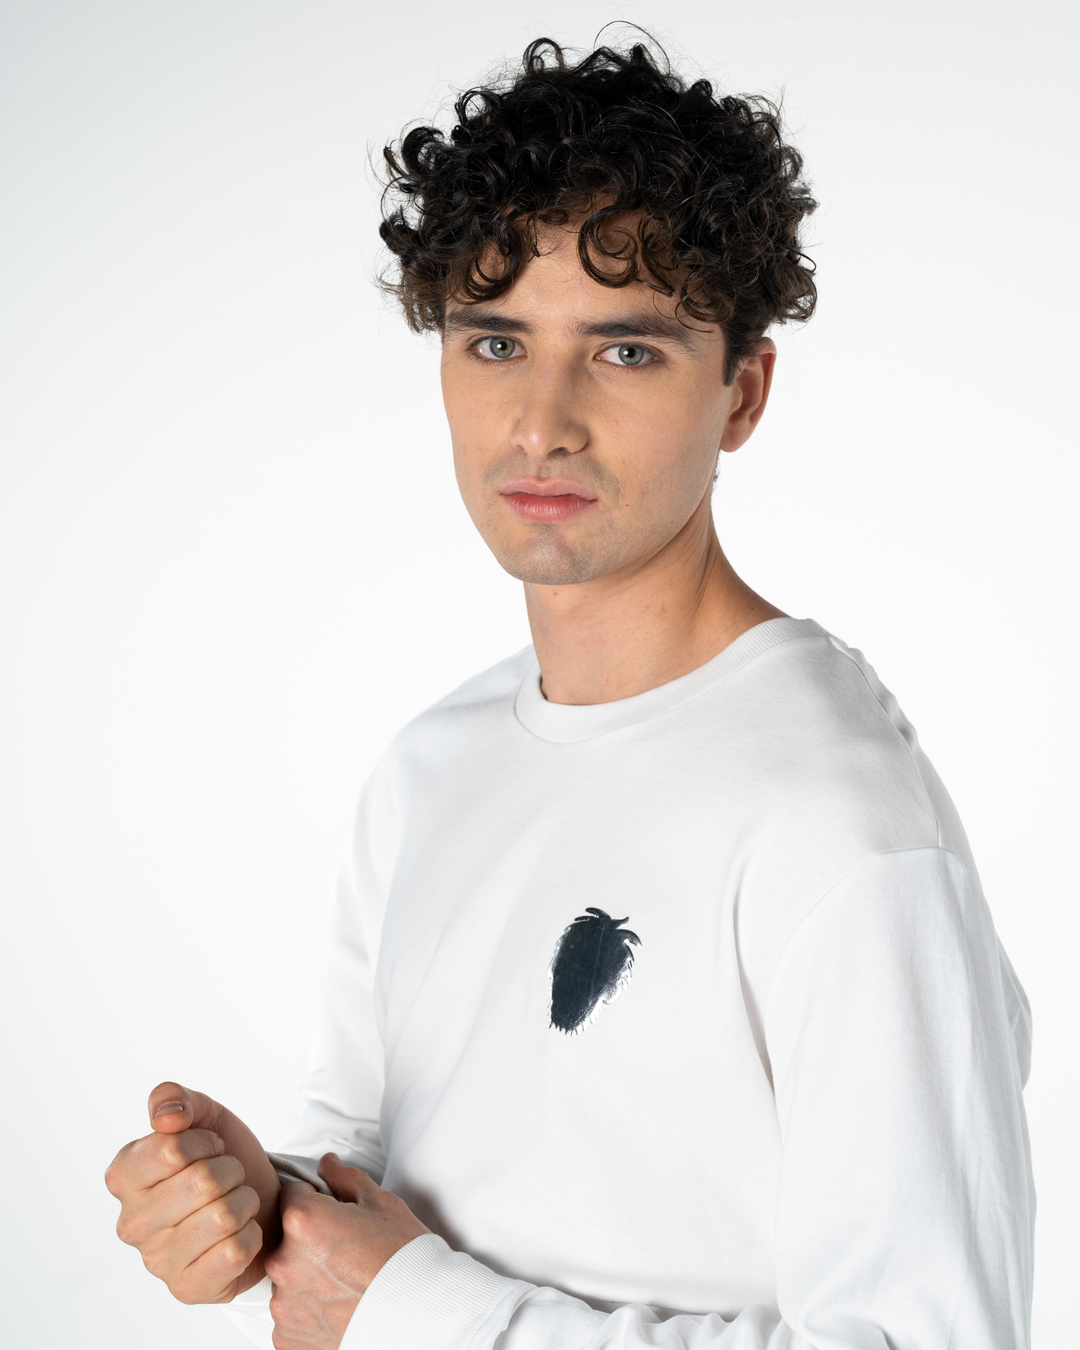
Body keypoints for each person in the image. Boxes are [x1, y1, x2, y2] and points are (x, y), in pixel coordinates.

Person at [104, 37, 1035, 1350]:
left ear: (743, 394)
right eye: (496, 341)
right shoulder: (436, 763)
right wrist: (259, 1206)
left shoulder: (841, 826)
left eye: (626, 352)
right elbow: (375, 1147)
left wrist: (414, 1310)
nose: (540, 420)